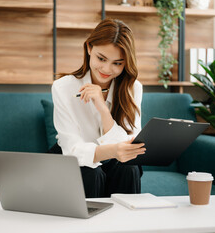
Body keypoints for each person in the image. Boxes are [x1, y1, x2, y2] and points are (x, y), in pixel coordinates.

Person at [51, 18, 145, 198]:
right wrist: (113, 150)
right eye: (101, 58)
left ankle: (128, 225)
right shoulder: (62, 87)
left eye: (117, 63)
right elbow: (73, 149)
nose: (106, 69)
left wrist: (103, 109)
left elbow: (129, 147)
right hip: (73, 161)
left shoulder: (133, 88)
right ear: (89, 48)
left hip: (114, 160)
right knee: (91, 173)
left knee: (130, 169)